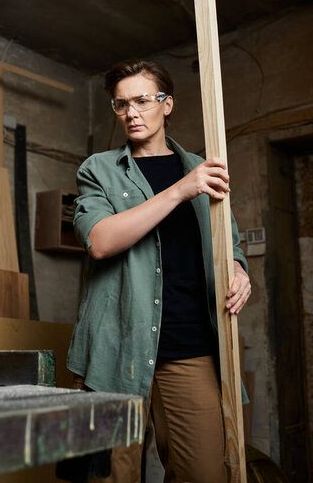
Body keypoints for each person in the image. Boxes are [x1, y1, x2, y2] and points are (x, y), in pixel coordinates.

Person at [67, 59, 251, 483]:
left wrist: (240, 272)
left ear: (167, 105)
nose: (131, 112)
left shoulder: (204, 169)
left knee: (206, 473)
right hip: (114, 353)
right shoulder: (98, 170)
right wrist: (180, 191)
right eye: (120, 104)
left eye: (142, 101)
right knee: (109, 476)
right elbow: (100, 241)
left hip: (191, 350)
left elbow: (231, 244)